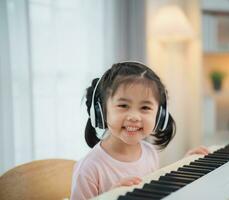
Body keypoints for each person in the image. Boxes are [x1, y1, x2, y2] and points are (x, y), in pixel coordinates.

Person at [70, 61, 209, 200]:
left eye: (145, 108)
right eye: (123, 105)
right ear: (101, 111)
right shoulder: (89, 168)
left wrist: (185, 167)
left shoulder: (150, 153)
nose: (134, 117)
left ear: (160, 115)